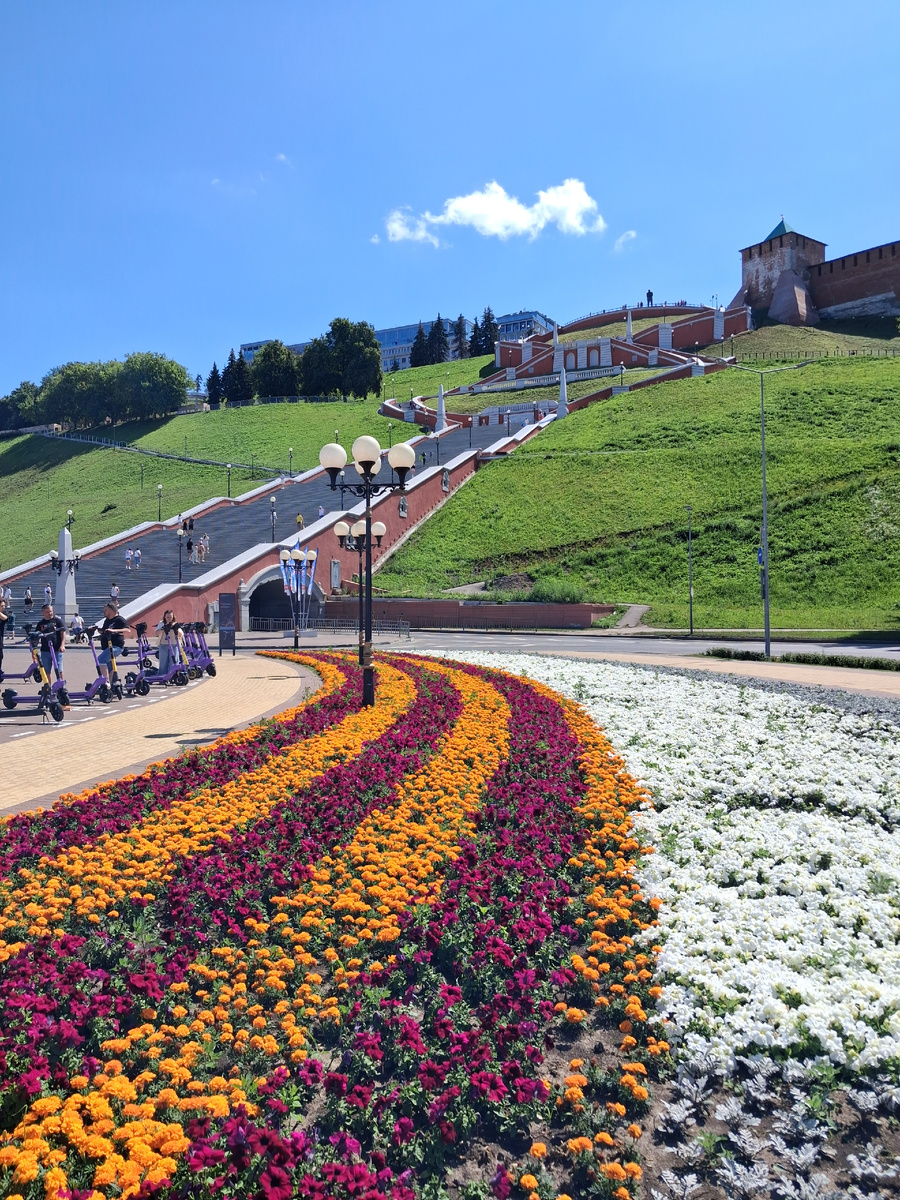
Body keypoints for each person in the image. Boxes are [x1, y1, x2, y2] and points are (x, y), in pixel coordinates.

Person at [95, 601, 131, 681]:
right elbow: (105, 631)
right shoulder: (107, 620)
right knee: (110, 666)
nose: (104, 612)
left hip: (116, 646)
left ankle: (104, 682)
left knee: (100, 660)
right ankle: (112, 685)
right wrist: (100, 631)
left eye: (106, 610)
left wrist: (114, 631)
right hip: (107, 646)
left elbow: (127, 631)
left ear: (111, 611)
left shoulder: (119, 619)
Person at [36, 603, 65, 682]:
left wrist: (62, 645)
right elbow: (37, 636)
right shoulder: (40, 623)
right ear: (43, 613)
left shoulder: (57, 621)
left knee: (59, 669)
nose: (50, 613)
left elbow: (63, 633)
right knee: (46, 670)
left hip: (57, 649)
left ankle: (60, 686)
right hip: (45, 650)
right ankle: (49, 688)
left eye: (51, 611)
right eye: (47, 612)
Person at [156, 609, 176, 676]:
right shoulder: (161, 623)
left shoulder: (175, 624)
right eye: (167, 617)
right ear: (164, 617)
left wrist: (175, 628)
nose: (169, 619)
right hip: (163, 645)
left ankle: (172, 676)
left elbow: (181, 634)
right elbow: (156, 633)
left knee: (173, 662)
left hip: (173, 645)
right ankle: (161, 677)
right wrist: (163, 628)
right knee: (163, 663)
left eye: (170, 617)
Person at [0, 598, 8, 681]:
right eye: (2, 606)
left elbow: (5, 618)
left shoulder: (3, 614)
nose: (3, 607)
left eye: (4, 606)